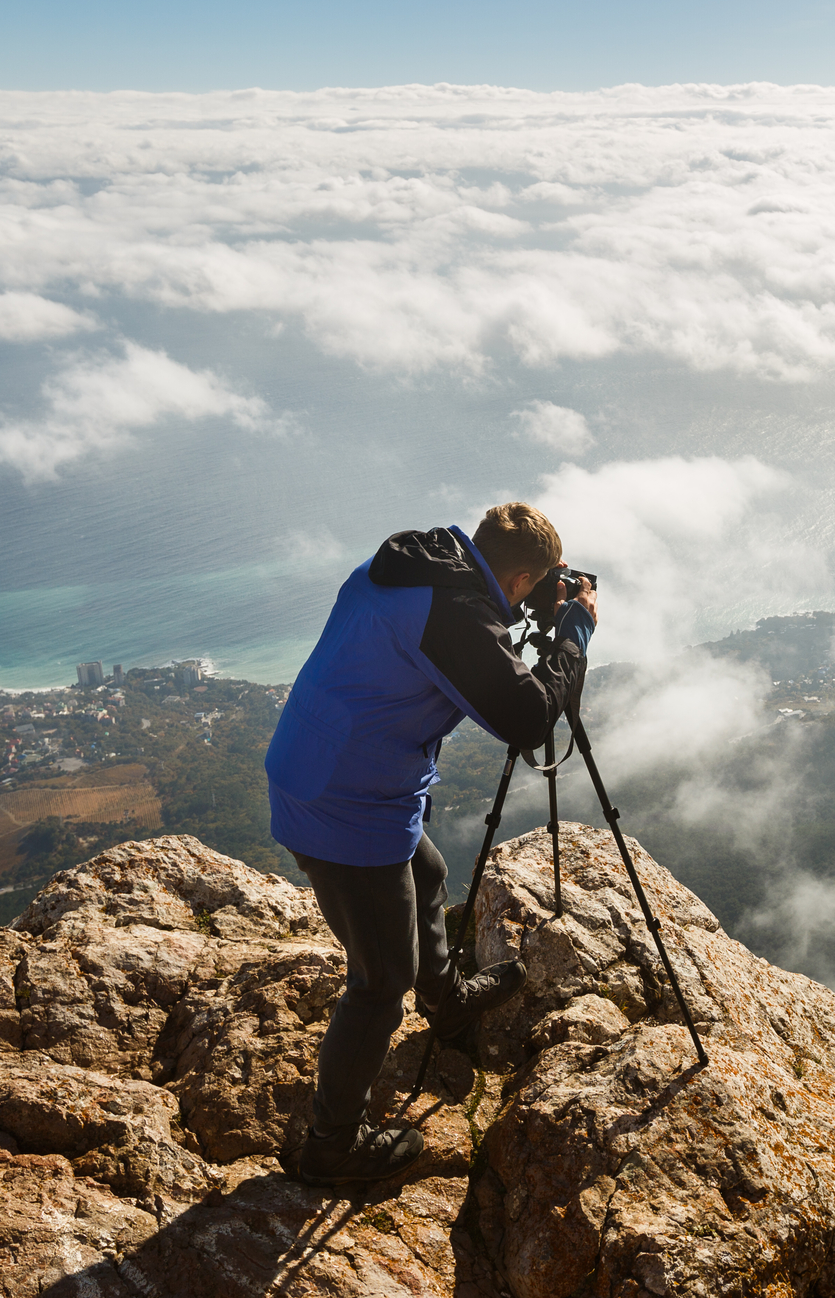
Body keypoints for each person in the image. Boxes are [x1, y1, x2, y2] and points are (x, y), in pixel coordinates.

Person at [266, 502, 597, 1186]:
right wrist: (575, 634)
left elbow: (473, 638)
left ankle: (445, 998)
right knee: (378, 983)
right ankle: (331, 1146)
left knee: (428, 872)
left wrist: (521, 609)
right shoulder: (451, 613)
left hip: (334, 768)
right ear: (519, 578)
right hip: (346, 803)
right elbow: (528, 718)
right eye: (534, 585)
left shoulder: (415, 565)